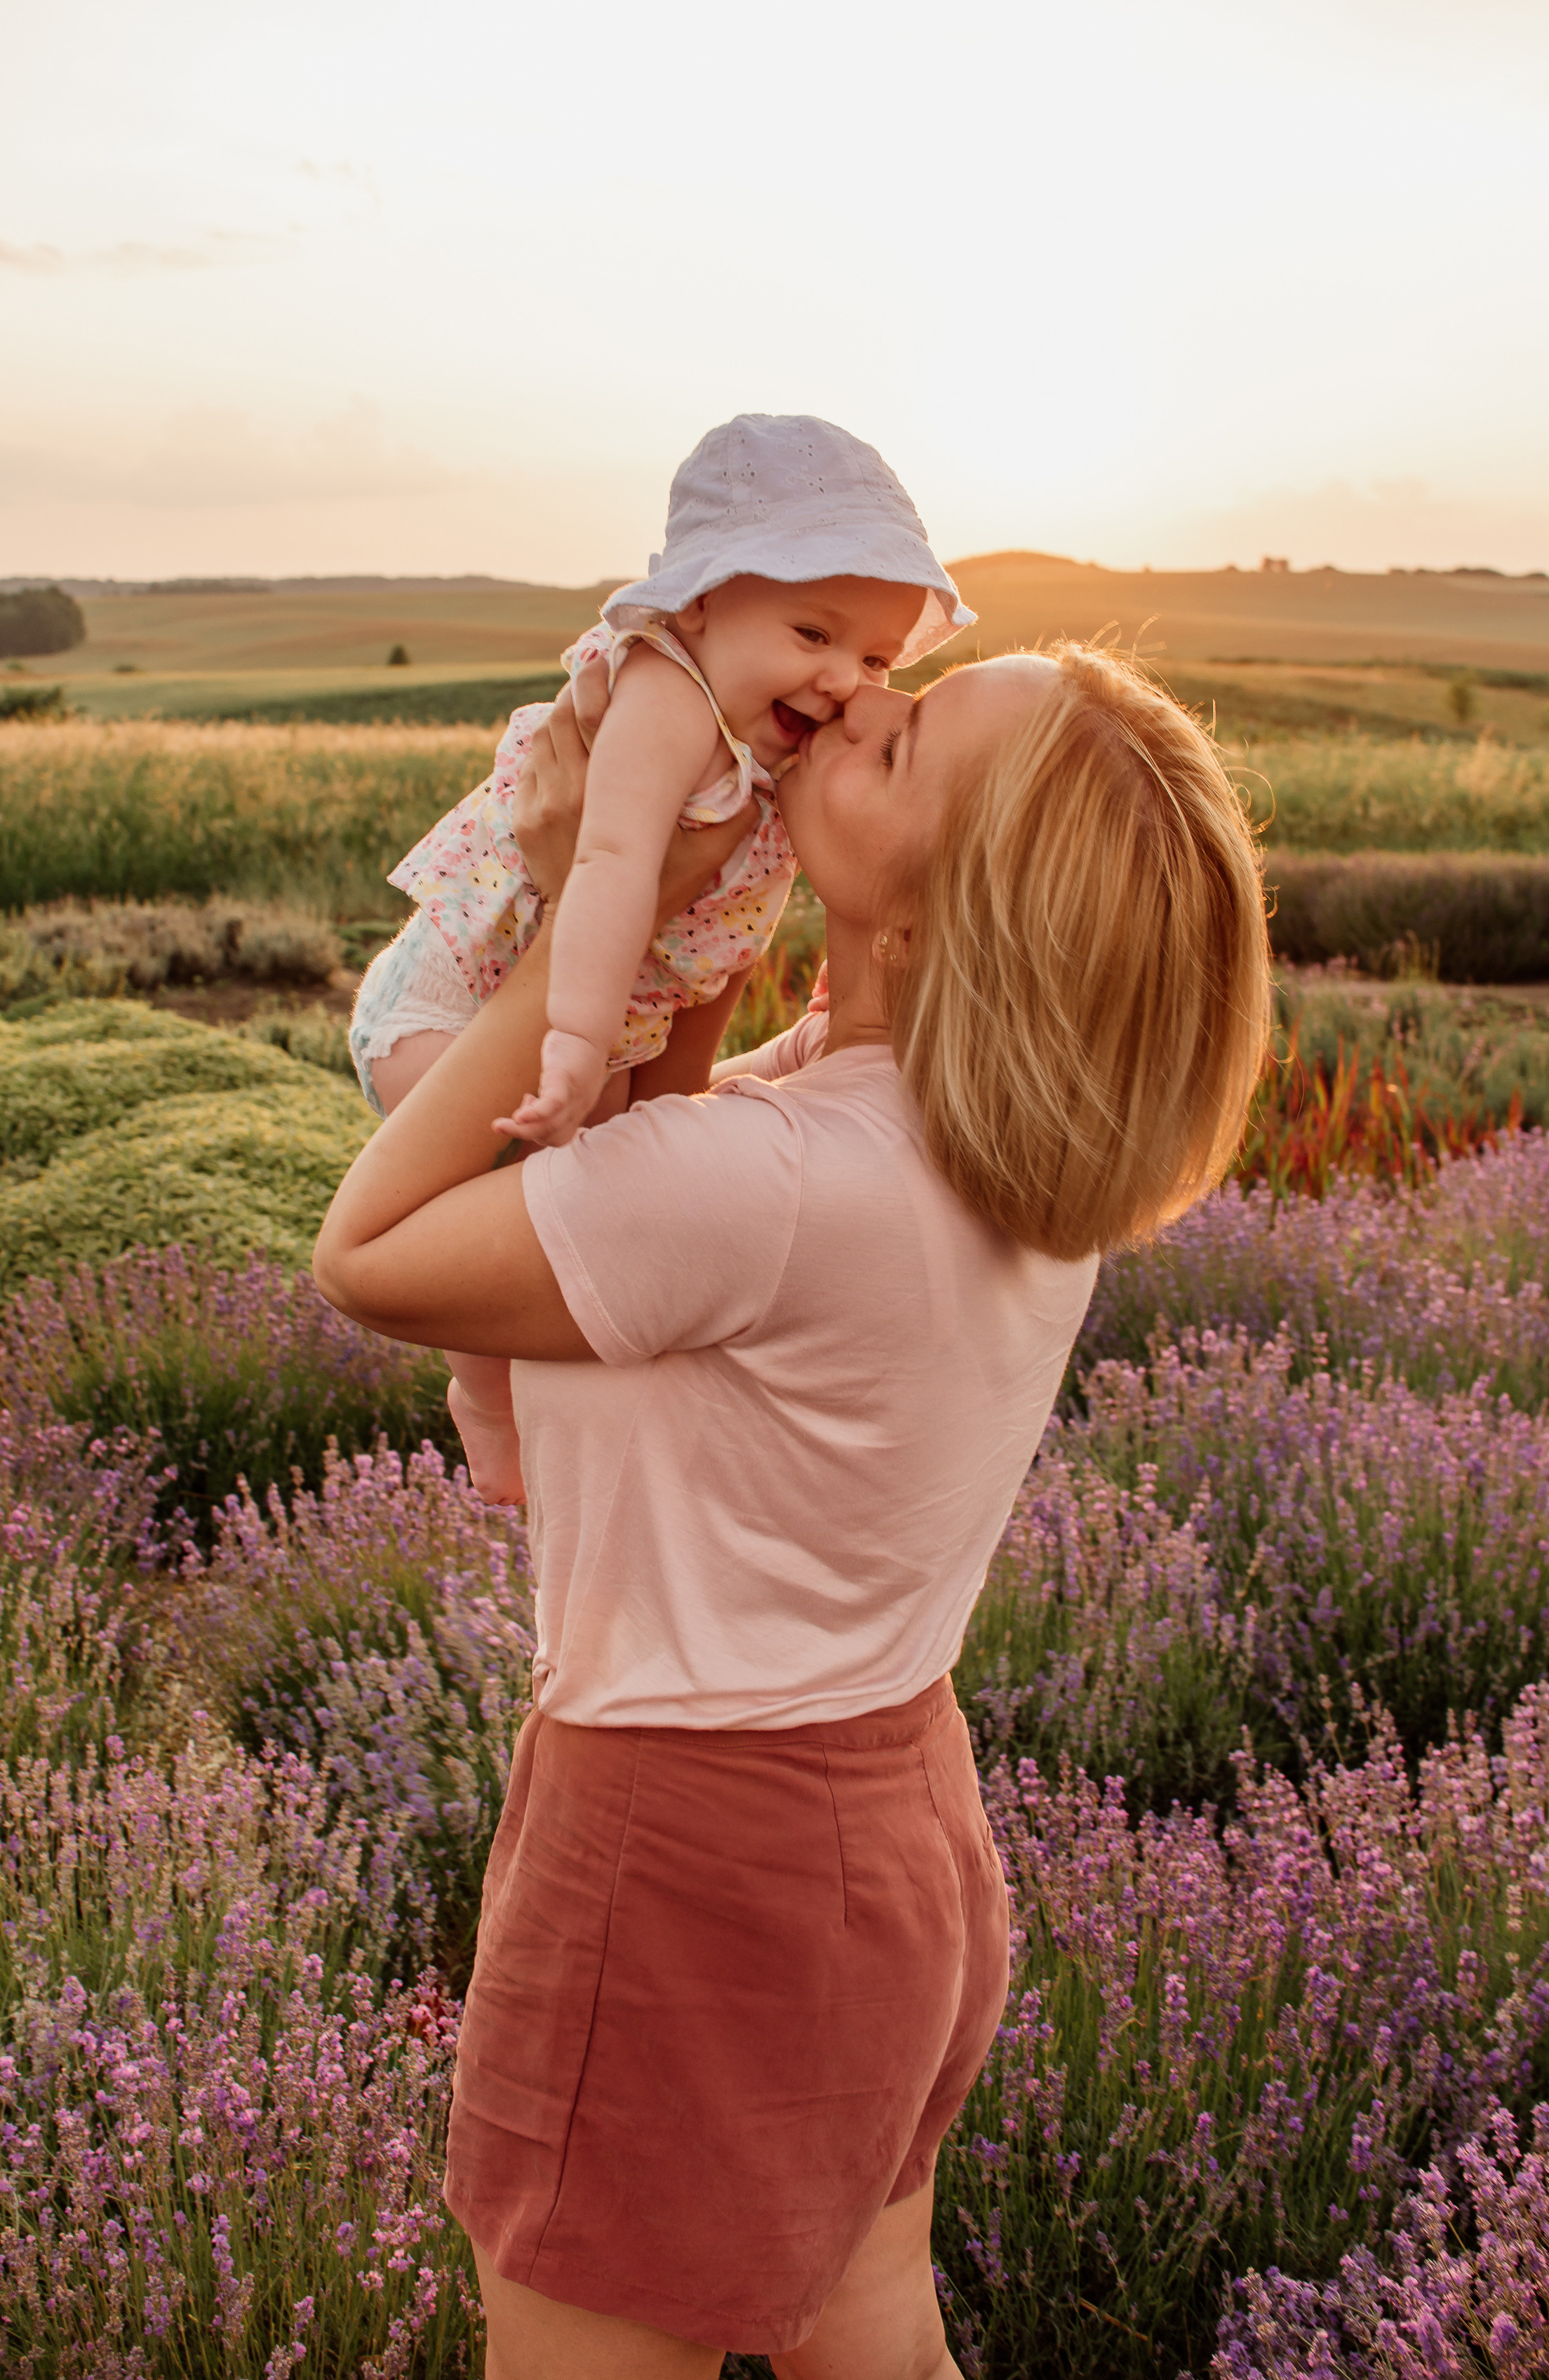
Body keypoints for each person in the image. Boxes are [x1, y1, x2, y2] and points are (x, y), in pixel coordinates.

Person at [314, 637, 1273, 2380]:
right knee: (874, 2340)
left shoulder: (778, 1180)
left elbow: (368, 1252)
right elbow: (635, 1175)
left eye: (900, 750)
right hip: (886, 1824)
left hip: (677, 1854)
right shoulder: (988, 1155)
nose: (857, 702)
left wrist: (578, 921)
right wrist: (638, 900)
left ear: (928, 920)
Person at [348, 413, 973, 1501]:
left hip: (580, 1023)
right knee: (495, 1209)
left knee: (596, 1197)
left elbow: (706, 963)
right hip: (454, 1010)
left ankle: (549, 1435)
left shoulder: (769, 739)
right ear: (698, 603)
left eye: (872, 656)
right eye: (813, 634)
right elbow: (612, 863)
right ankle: (482, 1399)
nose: (844, 682)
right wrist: (578, 1045)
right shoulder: (666, 697)